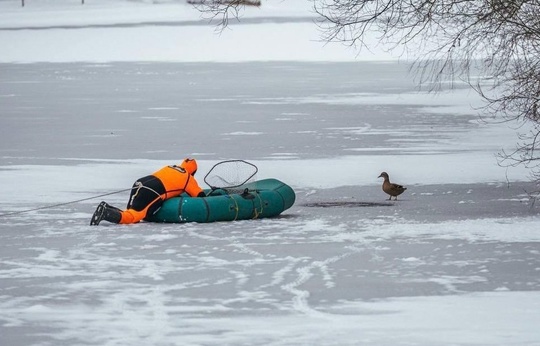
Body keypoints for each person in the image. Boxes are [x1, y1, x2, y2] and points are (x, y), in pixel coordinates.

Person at [90, 158, 205, 225]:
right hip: (154, 190)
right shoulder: (188, 178)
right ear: (193, 172)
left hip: (141, 182)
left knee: (131, 211)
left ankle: (106, 208)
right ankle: (106, 213)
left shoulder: (171, 167)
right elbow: (199, 195)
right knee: (132, 217)